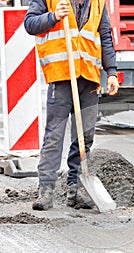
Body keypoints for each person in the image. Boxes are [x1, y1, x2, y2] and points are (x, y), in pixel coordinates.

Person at [24, 0, 119, 210]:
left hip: (89, 77)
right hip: (61, 76)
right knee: (54, 135)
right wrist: (53, 16)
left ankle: (75, 189)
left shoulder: (97, 2)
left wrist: (111, 72)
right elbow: (30, 24)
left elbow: (105, 36)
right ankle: (46, 191)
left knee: (85, 137)